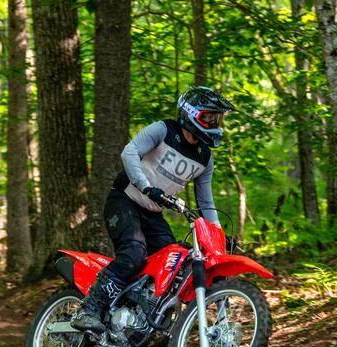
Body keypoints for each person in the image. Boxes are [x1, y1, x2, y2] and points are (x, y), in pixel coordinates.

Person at [71, 86, 235, 334]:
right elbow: (130, 152)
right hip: (124, 200)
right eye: (209, 117)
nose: (214, 123)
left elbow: (206, 204)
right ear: (191, 114)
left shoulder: (205, 157)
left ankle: (139, 317)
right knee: (134, 254)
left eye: (217, 118)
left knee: (175, 265)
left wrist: (219, 238)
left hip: (153, 213)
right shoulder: (164, 130)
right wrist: (146, 186)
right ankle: (89, 309)